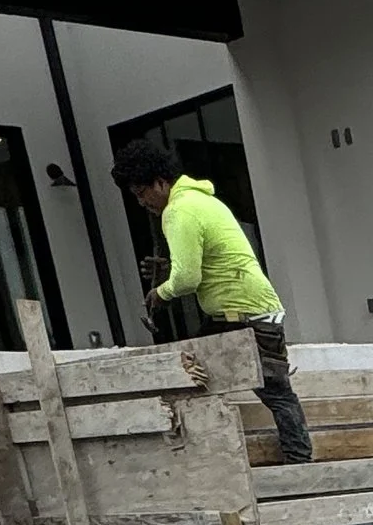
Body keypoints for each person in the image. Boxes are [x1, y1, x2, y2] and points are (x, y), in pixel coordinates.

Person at [107, 147, 313, 465]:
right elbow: (209, 263)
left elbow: (188, 279)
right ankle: (259, 457)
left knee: (267, 389)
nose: (142, 202)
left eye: (141, 193)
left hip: (243, 314)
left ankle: (298, 462)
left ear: (160, 182)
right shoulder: (202, 201)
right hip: (243, 311)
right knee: (198, 377)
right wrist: (169, 273)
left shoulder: (179, 211)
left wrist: (162, 292)